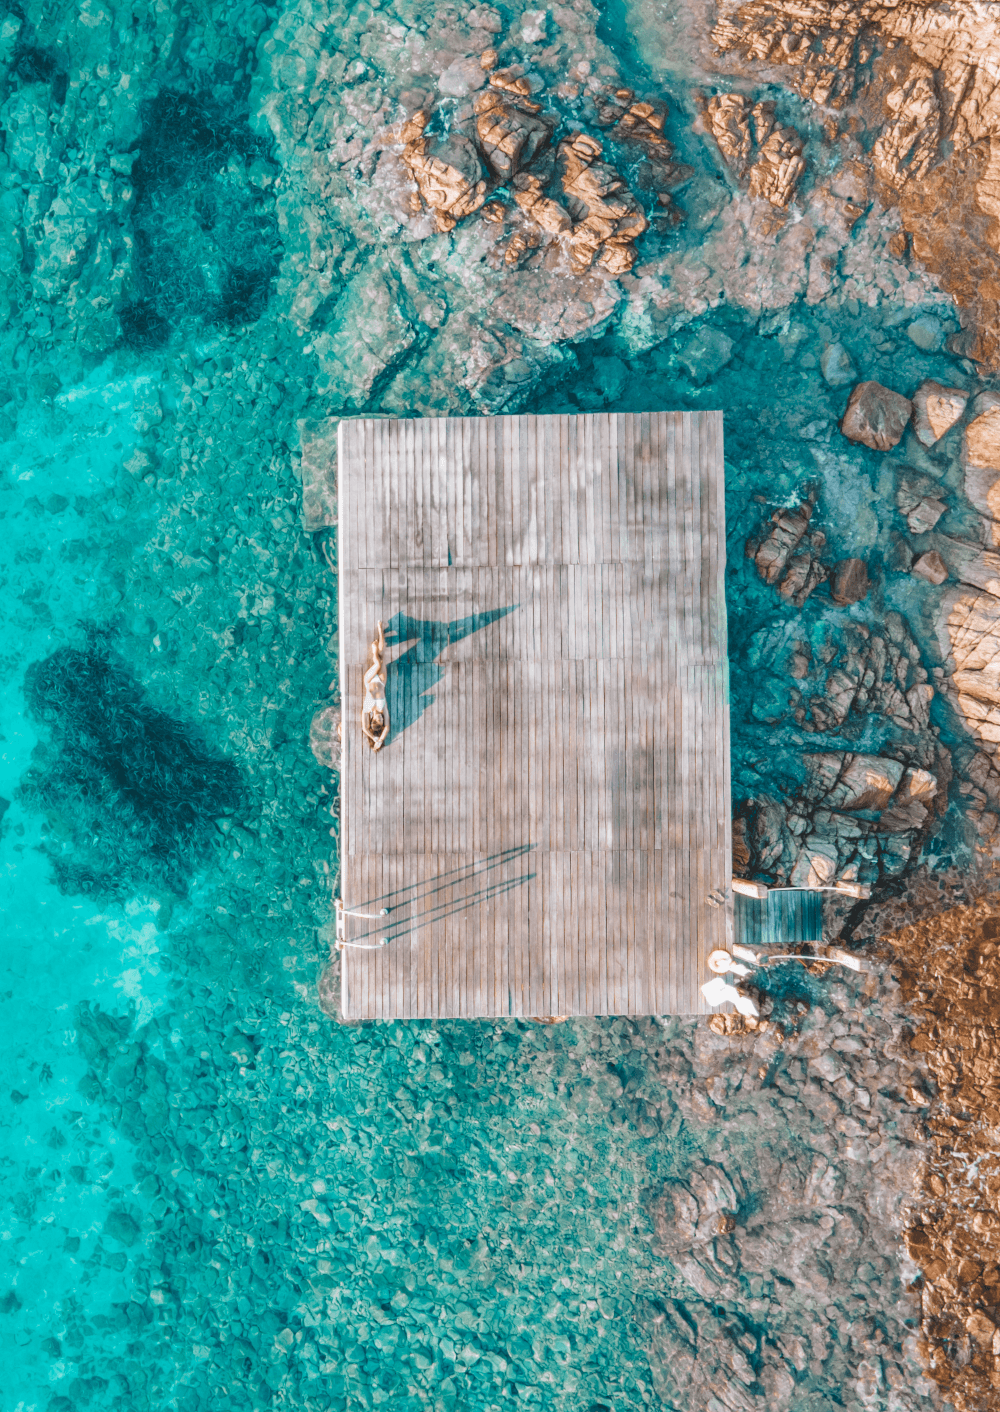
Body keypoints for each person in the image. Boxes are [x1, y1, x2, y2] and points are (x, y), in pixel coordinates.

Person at [361, 621, 390, 751]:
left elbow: (364, 728)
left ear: (372, 719)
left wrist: (373, 738)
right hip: (381, 682)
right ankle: (380, 631)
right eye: (381, 720)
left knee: (377, 663)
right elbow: (387, 728)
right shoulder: (384, 709)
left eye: (376, 719)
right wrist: (381, 739)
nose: (380, 717)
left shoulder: (367, 710)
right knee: (382, 657)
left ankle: (374, 652)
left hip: (369, 681)